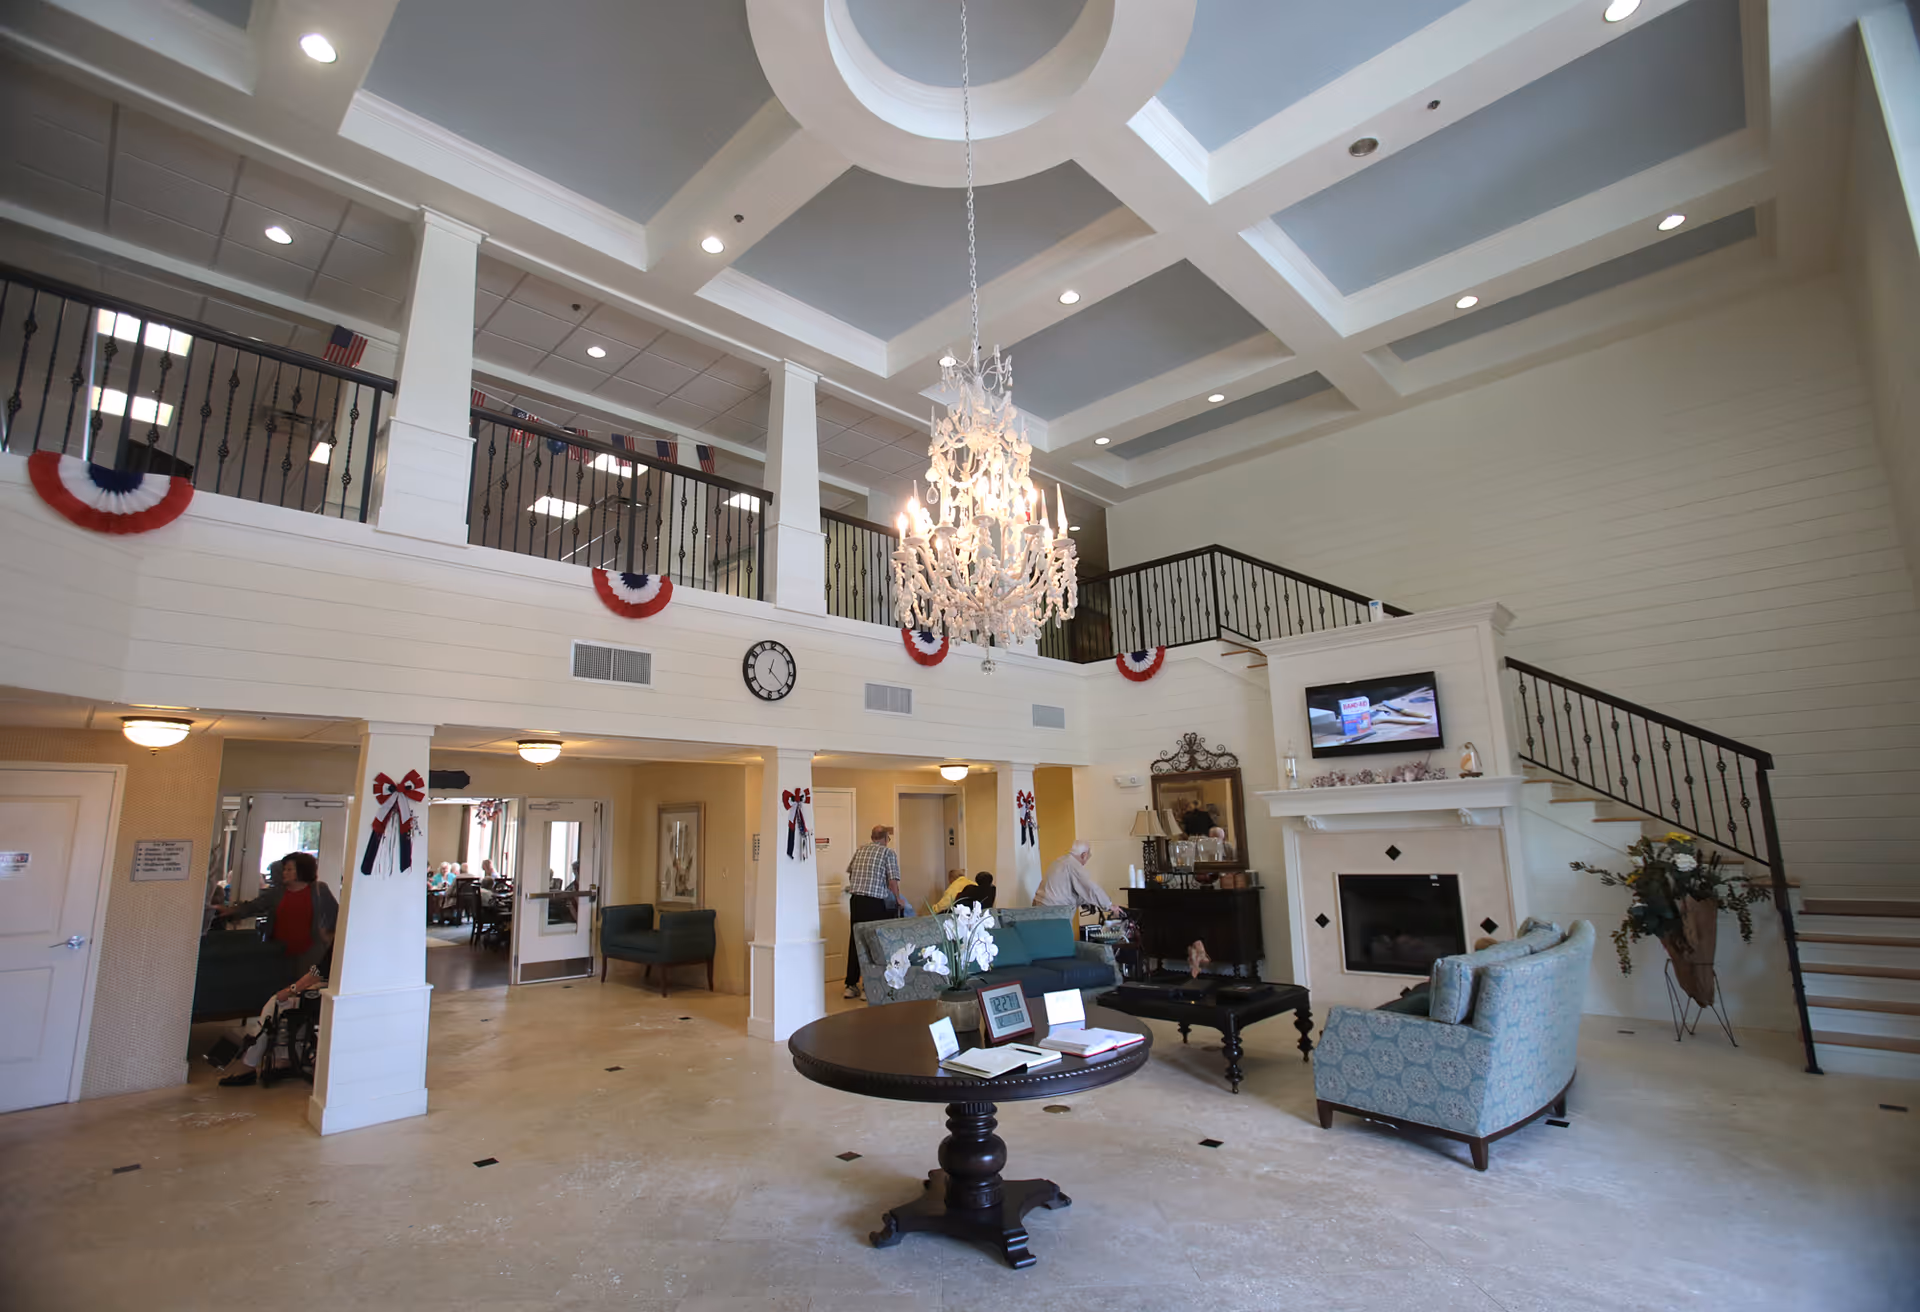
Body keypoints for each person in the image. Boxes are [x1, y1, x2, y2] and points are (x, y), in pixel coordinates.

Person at [212, 852, 337, 972]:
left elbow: (335, 916)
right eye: (284, 869)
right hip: (279, 952)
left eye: (289, 869)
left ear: (302, 870)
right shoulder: (277, 893)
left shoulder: (319, 890)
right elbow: (254, 906)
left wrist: (328, 937)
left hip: (310, 953)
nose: (284, 873)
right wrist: (229, 911)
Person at [843, 824, 903, 999]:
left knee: (855, 940)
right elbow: (892, 881)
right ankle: (868, 987)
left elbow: (851, 874)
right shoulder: (888, 853)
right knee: (873, 943)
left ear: (872, 837)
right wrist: (898, 899)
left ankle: (850, 984)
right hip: (874, 902)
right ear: (885, 838)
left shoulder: (860, 850)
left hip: (856, 901)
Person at [1034, 840, 1115, 916]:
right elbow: (1089, 887)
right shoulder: (1073, 864)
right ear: (1084, 855)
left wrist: (1087, 901)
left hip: (1039, 907)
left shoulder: (1060, 861)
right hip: (1053, 911)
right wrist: (1109, 905)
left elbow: (1069, 890)